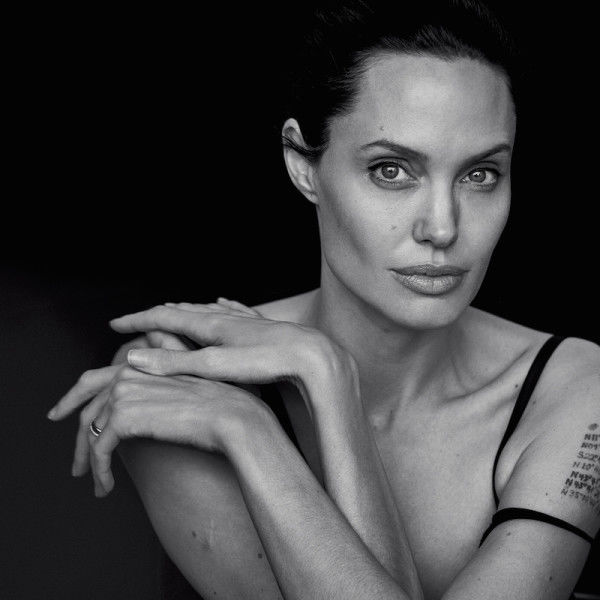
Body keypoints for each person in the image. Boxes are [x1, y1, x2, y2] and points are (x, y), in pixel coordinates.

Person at [47, 1, 599, 598]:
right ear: (302, 165)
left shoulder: (575, 385)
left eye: (480, 174)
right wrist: (249, 415)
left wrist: (313, 390)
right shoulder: (179, 376)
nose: (442, 228)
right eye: (391, 170)